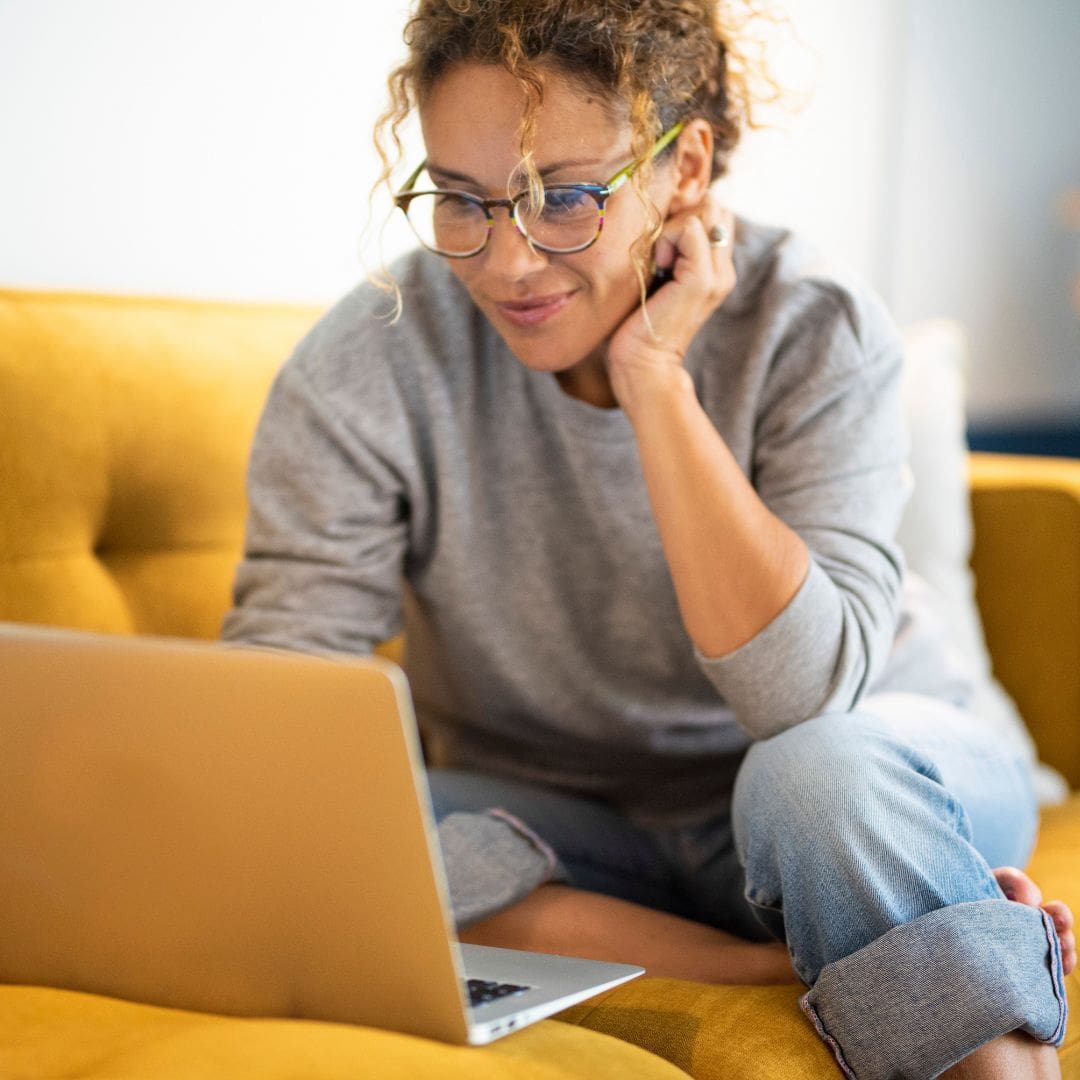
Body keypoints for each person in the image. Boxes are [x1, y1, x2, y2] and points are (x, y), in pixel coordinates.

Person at [222, 1, 1074, 1076]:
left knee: (817, 778)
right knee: (301, 829)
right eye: (463, 200)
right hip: (564, 831)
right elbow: (280, 715)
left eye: (565, 197)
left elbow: (804, 700)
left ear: (687, 168)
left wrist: (655, 381)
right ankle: (764, 957)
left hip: (857, 781)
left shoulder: (811, 325)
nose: (507, 261)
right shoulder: (366, 364)